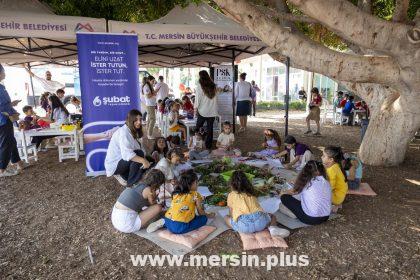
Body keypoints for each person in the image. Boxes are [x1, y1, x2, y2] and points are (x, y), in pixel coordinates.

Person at [224, 171, 289, 237]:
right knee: (272, 216)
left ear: (231, 184)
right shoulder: (251, 192)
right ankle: (273, 229)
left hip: (244, 226)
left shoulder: (231, 195)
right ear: (247, 182)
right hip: (260, 222)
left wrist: (233, 218)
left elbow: (231, 212)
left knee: (226, 217)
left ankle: (240, 229)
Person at [147, 170, 214, 234]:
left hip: (168, 219)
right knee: (203, 219)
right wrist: (208, 215)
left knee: (188, 215)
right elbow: (201, 212)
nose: (197, 184)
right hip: (179, 227)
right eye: (197, 182)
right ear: (193, 183)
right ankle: (169, 223)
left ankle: (163, 222)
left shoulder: (177, 193)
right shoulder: (195, 194)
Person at [104, 109, 151, 187]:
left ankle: (125, 176)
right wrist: (144, 161)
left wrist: (147, 159)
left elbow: (138, 147)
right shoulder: (124, 133)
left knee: (144, 156)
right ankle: (132, 183)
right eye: (136, 120)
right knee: (139, 154)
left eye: (140, 119)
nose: (139, 122)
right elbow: (127, 154)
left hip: (122, 161)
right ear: (130, 120)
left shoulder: (131, 130)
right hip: (115, 164)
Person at [111, 169, 166, 233]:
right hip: (126, 224)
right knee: (158, 207)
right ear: (157, 184)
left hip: (115, 218)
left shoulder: (137, 184)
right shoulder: (149, 191)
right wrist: (157, 198)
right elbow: (153, 204)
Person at [278, 161, 332, 225]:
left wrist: (283, 193)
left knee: (284, 197)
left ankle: (295, 214)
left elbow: (292, 192)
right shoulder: (326, 181)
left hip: (311, 219)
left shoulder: (306, 181)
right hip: (326, 216)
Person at [194, 70, 219, 150]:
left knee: (198, 128)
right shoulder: (213, 85)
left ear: (200, 77)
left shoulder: (200, 86)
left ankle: (198, 143)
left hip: (203, 111)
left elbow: (198, 99)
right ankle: (208, 146)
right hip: (212, 111)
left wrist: (195, 109)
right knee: (210, 129)